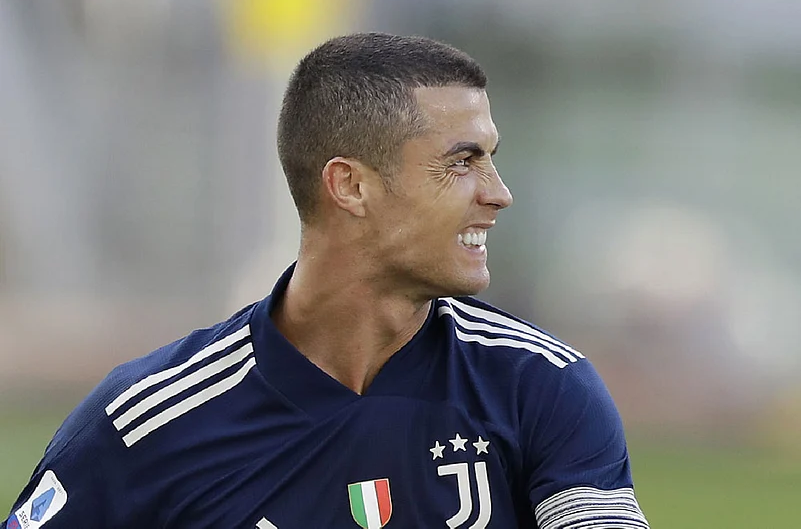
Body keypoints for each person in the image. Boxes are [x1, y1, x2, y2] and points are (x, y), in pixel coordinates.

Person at [3, 32, 649, 529]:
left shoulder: (539, 386)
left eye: (491, 159)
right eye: (462, 162)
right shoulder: (147, 424)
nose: (498, 193)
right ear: (350, 186)